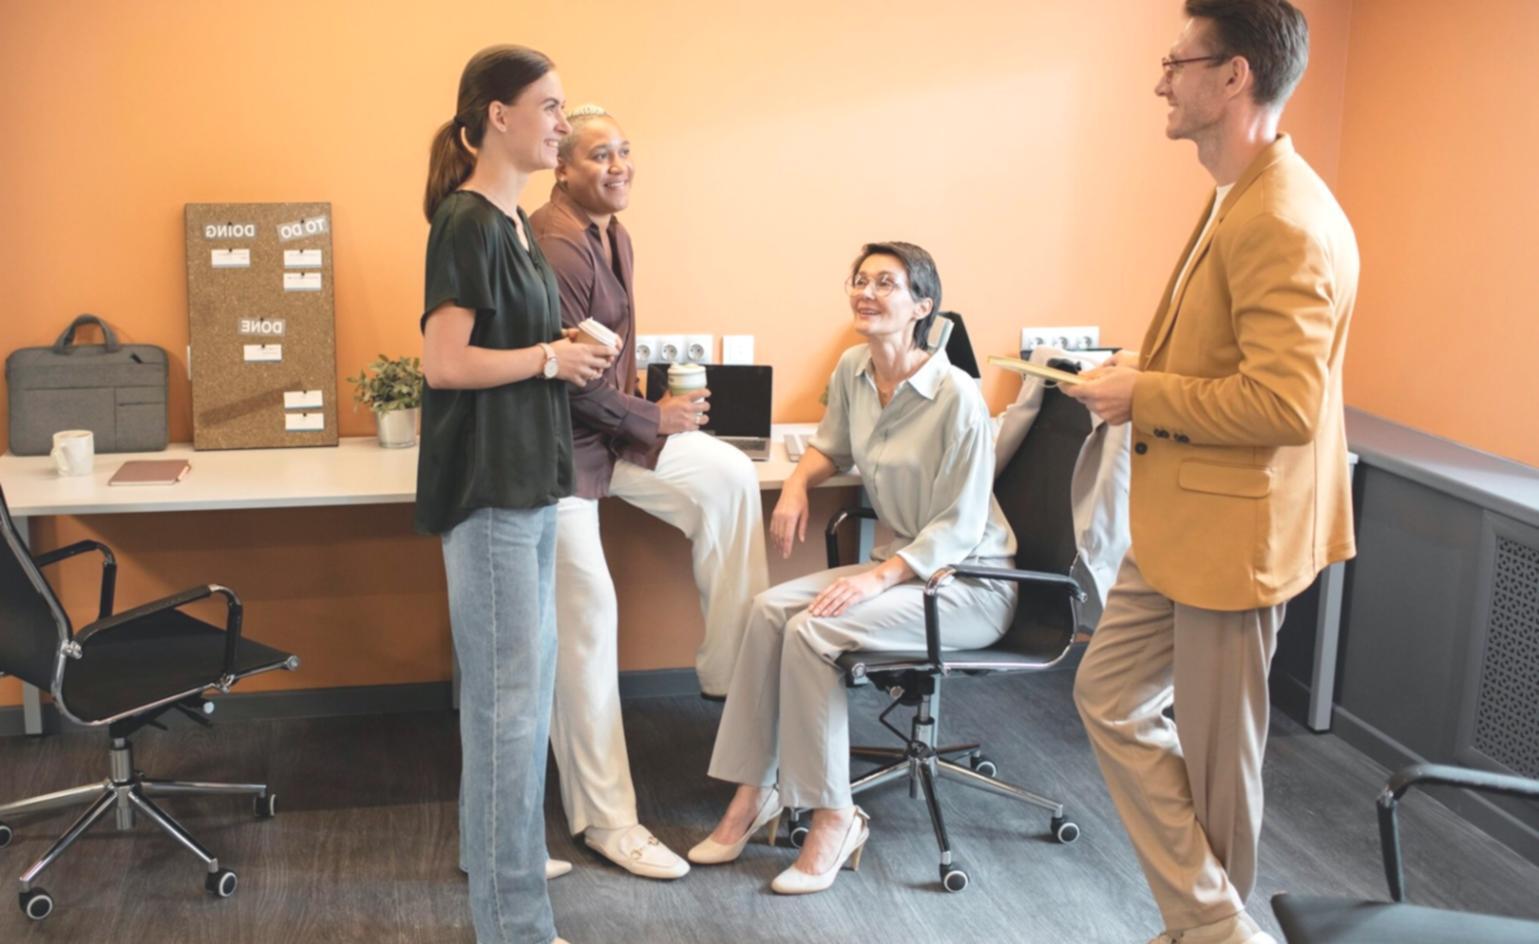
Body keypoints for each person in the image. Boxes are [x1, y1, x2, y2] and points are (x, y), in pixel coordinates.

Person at [1064, 3, 1357, 943]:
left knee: (1220, 764)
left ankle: (1206, 930)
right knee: (1106, 694)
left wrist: (1142, 392)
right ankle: (1213, 923)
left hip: (1237, 531)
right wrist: (1141, 385)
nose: (1160, 79)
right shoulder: (1237, 190)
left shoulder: (1283, 217)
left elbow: (1282, 407)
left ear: (1233, 76)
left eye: (1174, 62)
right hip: (1181, 519)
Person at [690, 242, 1018, 895]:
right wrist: (795, 486)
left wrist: (876, 575)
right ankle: (754, 793)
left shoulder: (957, 397)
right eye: (860, 280)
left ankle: (835, 816)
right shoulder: (854, 369)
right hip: (901, 572)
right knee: (766, 610)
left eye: (886, 284)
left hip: (967, 583)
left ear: (921, 306)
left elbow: (957, 527)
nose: (867, 292)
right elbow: (828, 447)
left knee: (813, 631)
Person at [528, 106, 768, 881]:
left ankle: (731, 673)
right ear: (562, 167)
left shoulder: (613, 233)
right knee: (588, 619)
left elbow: (610, 363)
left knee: (728, 476)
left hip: (612, 436)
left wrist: (655, 422)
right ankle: (605, 820)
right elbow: (567, 383)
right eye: (601, 155)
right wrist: (651, 416)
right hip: (558, 454)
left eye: (625, 152)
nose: (619, 165)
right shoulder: (555, 244)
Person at [417, 45, 614, 944]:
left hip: (529, 486)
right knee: (506, 713)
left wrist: (560, 342)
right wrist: (549, 357)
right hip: (492, 494)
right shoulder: (466, 221)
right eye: (549, 106)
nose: (562, 123)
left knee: (516, 703)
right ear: (497, 115)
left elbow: (508, 344)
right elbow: (445, 363)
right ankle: (514, 927)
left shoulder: (510, 223)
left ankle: (495, 882)